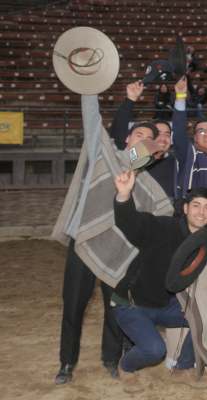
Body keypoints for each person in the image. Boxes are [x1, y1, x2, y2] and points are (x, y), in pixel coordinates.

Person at [51, 93, 173, 385]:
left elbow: (164, 219)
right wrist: (89, 86)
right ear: (128, 138)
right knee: (73, 307)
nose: (143, 139)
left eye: (150, 138)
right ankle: (67, 363)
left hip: (121, 255)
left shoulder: (149, 185)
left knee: (114, 310)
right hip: (85, 242)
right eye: (139, 134)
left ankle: (110, 359)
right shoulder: (106, 155)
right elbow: (92, 121)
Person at [111, 170, 207, 392]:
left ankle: (183, 368)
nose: (201, 212)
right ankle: (126, 367)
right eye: (196, 205)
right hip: (131, 303)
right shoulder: (162, 227)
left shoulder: (206, 242)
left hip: (166, 306)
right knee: (155, 350)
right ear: (185, 209)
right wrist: (123, 196)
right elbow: (131, 224)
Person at [110, 79, 185, 199]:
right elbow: (117, 134)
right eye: (157, 133)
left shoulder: (175, 162)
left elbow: (181, 130)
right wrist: (130, 100)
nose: (163, 138)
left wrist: (180, 97)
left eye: (167, 134)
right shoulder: (132, 158)